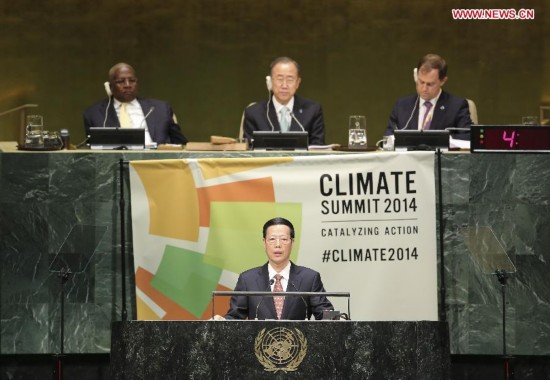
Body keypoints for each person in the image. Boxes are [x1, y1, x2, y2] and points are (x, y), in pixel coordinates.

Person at [213, 217, 334, 320]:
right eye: (272, 239)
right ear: (264, 242)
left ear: (292, 242)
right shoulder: (247, 279)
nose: (277, 244)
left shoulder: (310, 278)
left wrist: (338, 318)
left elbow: (324, 314)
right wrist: (222, 321)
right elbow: (235, 317)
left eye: (283, 239)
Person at [83, 62, 187, 145]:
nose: (127, 85)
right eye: (121, 81)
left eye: (132, 81)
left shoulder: (161, 108)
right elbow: (93, 150)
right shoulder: (94, 113)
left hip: (157, 164)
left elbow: (180, 143)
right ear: (110, 87)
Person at [243, 57, 326, 146]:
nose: (284, 85)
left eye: (290, 79)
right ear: (270, 82)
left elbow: (318, 148)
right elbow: (249, 151)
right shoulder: (254, 113)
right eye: (279, 79)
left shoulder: (312, 110)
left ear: (298, 83)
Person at [385, 54, 472, 135]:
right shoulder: (401, 105)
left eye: (430, 84)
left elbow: (468, 136)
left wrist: (443, 140)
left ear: (443, 81)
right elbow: (388, 137)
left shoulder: (457, 106)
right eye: (421, 82)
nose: (424, 89)